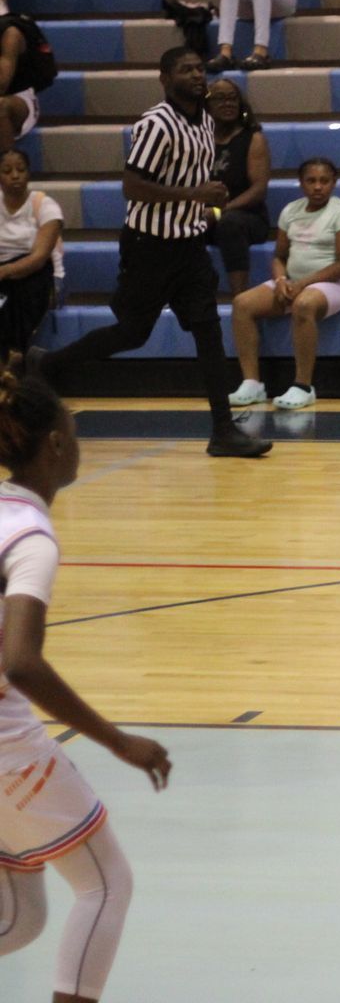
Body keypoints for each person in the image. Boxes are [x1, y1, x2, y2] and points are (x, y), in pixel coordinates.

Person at [0, 369, 171, 1003]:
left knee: (20, 916)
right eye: (75, 435)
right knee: (106, 883)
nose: (79, 446)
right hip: (8, 751)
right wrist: (117, 740)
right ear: (54, 445)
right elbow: (21, 662)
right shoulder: (30, 537)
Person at [30, 47, 271, 458]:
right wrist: (195, 195)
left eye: (199, 68)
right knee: (132, 333)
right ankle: (49, 364)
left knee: (209, 332)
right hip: (149, 247)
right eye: (185, 69)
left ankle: (223, 430)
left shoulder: (206, 120)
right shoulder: (156, 124)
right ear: (164, 78)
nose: (196, 75)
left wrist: (203, 207)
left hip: (190, 245)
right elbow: (132, 186)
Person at [228, 157, 340, 411]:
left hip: (338, 282)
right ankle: (252, 383)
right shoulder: (291, 211)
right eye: (311, 181)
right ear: (301, 183)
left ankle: (303, 386)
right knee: (242, 304)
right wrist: (280, 281)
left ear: (333, 183)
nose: (318, 186)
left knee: (304, 304)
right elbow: (279, 257)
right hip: (295, 282)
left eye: (324, 181)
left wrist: (302, 284)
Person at [204, 78, 271, 297]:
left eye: (232, 98)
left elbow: (258, 190)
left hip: (247, 217)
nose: (228, 103)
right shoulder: (198, 140)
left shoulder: (253, 138)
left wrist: (219, 211)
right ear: (207, 105)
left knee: (229, 223)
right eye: (220, 98)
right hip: (206, 215)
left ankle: (240, 299)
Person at [0, 148, 63, 357]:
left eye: (21, 169)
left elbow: (38, 258)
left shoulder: (45, 205)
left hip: (37, 273)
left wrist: (5, 271)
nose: (15, 175)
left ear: (28, 173)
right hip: (4, 274)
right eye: (7, 171)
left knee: (21, 295)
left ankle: (16, 353)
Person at [0, 12, 55, 158]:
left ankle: (7, 165)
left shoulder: (10, 34)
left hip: (19, 99)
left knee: (1, 106)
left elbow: (2, 85)